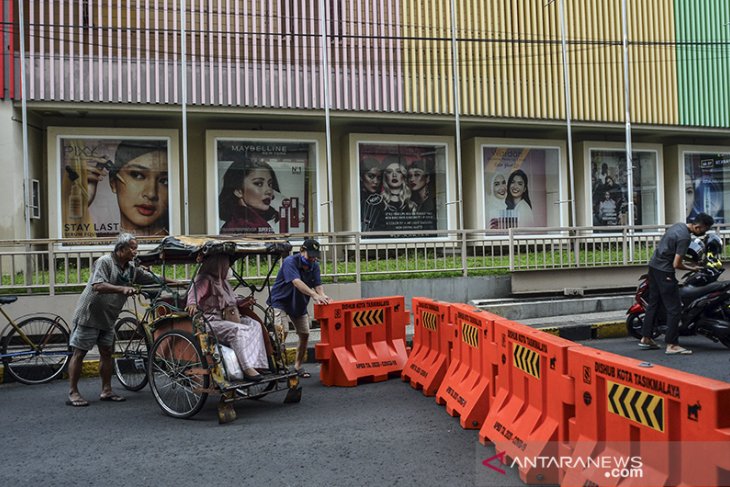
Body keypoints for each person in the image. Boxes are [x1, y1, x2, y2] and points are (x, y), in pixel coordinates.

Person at [66, 233, 171, 407]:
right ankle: (73, 392)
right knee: (80, 353)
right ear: (121, 249)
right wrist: (122, 289)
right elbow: (98, 285)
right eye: (132, 247)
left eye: (136, 248)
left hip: (108, 317)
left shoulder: (130, 268)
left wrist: (176, 282)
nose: (135, 251)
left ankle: (106, 390)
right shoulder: (105, 262)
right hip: (90, 315)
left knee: (107, 353)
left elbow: (153, 279)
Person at [638, 213, 714, 355]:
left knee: (653, 304)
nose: (704, 233)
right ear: (698, 227)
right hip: (665, 272)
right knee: (674, 309)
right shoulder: (685, 237)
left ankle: (646, 338)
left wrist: (689, 260)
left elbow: (672, 250)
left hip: (653, 268)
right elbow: (676, 264)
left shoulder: (677, 226)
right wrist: (693, 268)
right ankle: (672, 345)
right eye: (705, 230)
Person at [185, 254, 268, 381]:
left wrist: (243, 302)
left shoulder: (222, 282)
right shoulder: (203, 280)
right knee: (237, 330)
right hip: (209, 322)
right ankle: (246, 368)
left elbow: (231, 300)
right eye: (224, 264)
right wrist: (192, 304)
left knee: (254, 325)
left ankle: (257, 364)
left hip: (225, 318)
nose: (227, 267)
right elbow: (193, 296)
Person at [267, 238, 331, 378]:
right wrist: (314, 295)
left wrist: (323, 296)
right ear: (302, 251)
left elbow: (318, 285)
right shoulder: (290, 262)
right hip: (280, 301)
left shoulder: (315, 265)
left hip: (298, 303)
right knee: (281, 332)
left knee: (305, 334)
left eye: (315, 256)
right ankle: (281, 368)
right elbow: (296, 282)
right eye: (310, 255)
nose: (313, 258)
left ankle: (297, 366)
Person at [107, 141, 170, 236]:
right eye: (137, 175)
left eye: (164, 181)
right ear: (113, 183)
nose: (151, 194)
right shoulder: (100, 241)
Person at [219, 157, 280, 234]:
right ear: (238, 191)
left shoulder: (240, 223)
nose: (269, 191)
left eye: (270, 184)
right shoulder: (248, 225)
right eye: (258, 183)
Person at [359, 157, 384, 232]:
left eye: (379, 178)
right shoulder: (357, 199)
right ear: (361, 177)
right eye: (371, 176)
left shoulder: (381, 201)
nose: (376, 181)